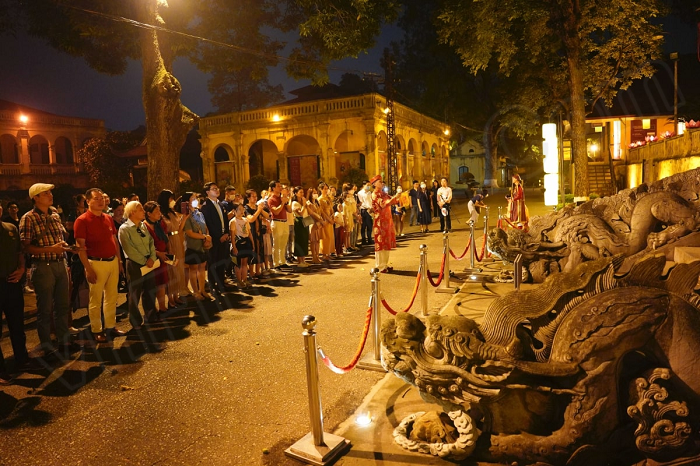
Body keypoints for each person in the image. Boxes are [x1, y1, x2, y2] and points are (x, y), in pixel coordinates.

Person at [19, 183, 77, 357]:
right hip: (43, 266)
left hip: (60, 263)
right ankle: (46, 345)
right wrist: (52, 248)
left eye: (50, 192)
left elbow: (60, 239)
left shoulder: (54, 214)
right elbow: (26, 247)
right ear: (35, 198)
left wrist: (66, 247)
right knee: (44, 308)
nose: (50, 195)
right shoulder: (28, 218)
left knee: (62, 305)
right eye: (45, 193)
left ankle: (63, 340)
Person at [73, 188, 126, 342]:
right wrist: (87, 269)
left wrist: (119, 260)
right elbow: (80, 247)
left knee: (112, 296)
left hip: (112, 262)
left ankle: (111, 325)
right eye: (96, 198)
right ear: (87, 201)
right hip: (95, 262)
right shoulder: (82, 220)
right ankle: (97, 329)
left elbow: (114, 240)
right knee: (95, 299)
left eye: (102, 198)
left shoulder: (108, 218)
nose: (100, 201)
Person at [0, 201, 29, 383]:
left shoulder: (10, 228)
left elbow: (19, 252)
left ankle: (22, 359)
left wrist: (21, 268)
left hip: (12, 283)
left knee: (17, 325)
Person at [118, 201, 158, 327]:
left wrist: (152, 257)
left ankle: (151, 315)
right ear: (132, 212)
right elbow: (129, 249)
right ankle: (135, 320)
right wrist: (144, 261)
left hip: (149, 262)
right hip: (135, 264)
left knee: (150, 289)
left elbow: (151, 242)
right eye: (140, 209)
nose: (143, 212)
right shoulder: (124, 229)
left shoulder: (142, 226)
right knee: (134, 292)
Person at [200, 182, 231, 295]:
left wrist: (226, 233)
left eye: (217, 188)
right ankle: (213, 286)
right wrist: (218, 236)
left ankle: (221, 283)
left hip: (224, 237)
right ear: (207, 192)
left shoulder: (221, 204)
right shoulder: (205, 206)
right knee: (213, 262)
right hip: (214, 239)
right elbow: (208, 223)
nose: (217, 190)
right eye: (214, 189)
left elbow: (225, 221)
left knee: (222, 261)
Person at [157, 190, 186, 304]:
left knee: (178, 269)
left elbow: (178, 229)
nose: (172, 201)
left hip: (177, 240)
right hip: (169, 242)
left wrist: (185, 217)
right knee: (171, 270)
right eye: (170, 199)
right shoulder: (161, 214)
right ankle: (170, 298)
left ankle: (176, 294)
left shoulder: (172, 213)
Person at [181, 192, 211, 301]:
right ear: (186, 202)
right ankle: (196, 291)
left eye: (196, 198)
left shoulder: (199, 213)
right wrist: (204, 237)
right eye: (192, 198)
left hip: (202, 246)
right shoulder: (187, 216)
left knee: (202, 268)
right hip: (192, 246)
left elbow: (205, 226)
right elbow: (189, 232)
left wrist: (207, 236)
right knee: (193, 269)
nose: (195, 200)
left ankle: (202, 289)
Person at [143, 201, 171, 312]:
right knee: (152, 283)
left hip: (163, 256)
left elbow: (165, 238)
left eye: (159, 210)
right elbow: (145, 245)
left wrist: (169, 250)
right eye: (156, 211)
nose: (159, 213)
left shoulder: (160, 224)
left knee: (162, 282)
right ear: (148, 214)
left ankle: (162, 306)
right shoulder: (144, 226)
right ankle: (152, 309)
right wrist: (158, 253)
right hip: (152, 258)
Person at [370, 175, 401, 273]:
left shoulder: (383, 193)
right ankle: (379, 266)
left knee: (386, 243)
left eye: (381, 181)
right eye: (379, 182)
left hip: (387, 220)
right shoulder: (375, 194)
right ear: (374, 184)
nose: (381, 183)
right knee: (380, 243)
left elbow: (392, 200)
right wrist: (395, 197)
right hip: (380, 221)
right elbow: (383, 204)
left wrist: (398, 197)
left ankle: (385, 264)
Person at [229, 204, 256, 288]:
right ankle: (239, 280)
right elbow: (232, 236)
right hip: (238, 243)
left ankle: (245, 279)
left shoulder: (245, 220)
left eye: (242, 209)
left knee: (245, 262)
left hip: (246, 242)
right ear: (234, 211)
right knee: (238, 263)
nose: (242, 211)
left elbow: (249, 233)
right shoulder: (233, 221)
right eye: (239, 209)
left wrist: (252, 243)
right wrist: (234, 247)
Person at [267, 181, 291, 270]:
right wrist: (282, 203)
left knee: (283, 243)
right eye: (278, 186)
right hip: (276, 222)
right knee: (276, 244)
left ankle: (282, 261)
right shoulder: (271, 199)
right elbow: (276, 211)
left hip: (285, 221)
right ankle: (276, 263)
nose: (280, 188)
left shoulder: (282, 198)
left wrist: (286, 202)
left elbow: (290, 210)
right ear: (273, 188)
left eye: (280, 186)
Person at [244, 189, 267, 281]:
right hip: (251, 232)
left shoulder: (257, 207)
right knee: (252, 252)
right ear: (248, 198)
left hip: (259, 232)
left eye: (255, 196)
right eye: (253, 196)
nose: (255, 198)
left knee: (259, 251)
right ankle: (252, 273)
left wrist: (260, 210)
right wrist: (258, 210)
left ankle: (258, 272)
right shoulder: (246, 208)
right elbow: (251, 219)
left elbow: (267, 216)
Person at [291, 187, 310, 267]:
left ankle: (303, 260)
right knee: (300, 240)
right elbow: (300, 213)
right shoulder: (294, 203)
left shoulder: (302, 201)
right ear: (295, 193)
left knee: (305, 240)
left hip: (306, 219)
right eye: (300, 192)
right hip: (299, 221)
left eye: (303, 192)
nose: (302, 194)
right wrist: (304, 205)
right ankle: (299, 261)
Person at [317, 182, 335, 260]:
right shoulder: (320, 199)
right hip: (325, 219)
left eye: (327, 188)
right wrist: (328, 219)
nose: (326, 190)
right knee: (325, 237)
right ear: (321, 189)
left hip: (330, 218)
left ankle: (329, 252)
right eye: (324, 188)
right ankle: (324, 253)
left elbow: (331, 207)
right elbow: (322, 211)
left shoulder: (328, 198)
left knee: (330, 237)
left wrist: (332, 216)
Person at [306, 187, 323, 264]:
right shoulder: (308, 203)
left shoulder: (316, 202)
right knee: (313, 240)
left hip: (318, 222)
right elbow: (311, 213)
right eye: (314, 193)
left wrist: (320, 220)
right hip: (312, 222)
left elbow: (320, 211)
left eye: (316, 192)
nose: (315, 194)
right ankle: (314, 257)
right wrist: (318, 219)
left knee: (317, 240)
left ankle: (317, 255)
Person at [357, 180, 373, 245]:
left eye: (369, 185)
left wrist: (371, 208)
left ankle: (369, 238)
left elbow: (371, 201)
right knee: (363, 226)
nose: (368, 187)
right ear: (364, 185)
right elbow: (361, 203)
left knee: (370, 225)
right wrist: (368, 207)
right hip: (364, 210)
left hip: (370, 210)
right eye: (367, 185)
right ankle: (363, 239)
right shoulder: (360, 193)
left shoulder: (369, 193)